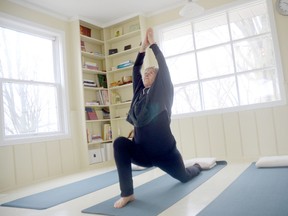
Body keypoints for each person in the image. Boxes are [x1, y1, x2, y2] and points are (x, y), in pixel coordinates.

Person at [113, 27, 202, 208]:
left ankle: (198, 166)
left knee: (184, 177)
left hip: (165, 154)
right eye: (146, 73)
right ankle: (127, 194)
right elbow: (137, 68)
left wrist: (153, 44)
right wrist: (142, 48)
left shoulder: (162, 92)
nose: (146, 73)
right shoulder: (139, 93)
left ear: (159, 77)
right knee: (119, 143)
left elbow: (164, 67)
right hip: (143, 154)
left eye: (151, 72)